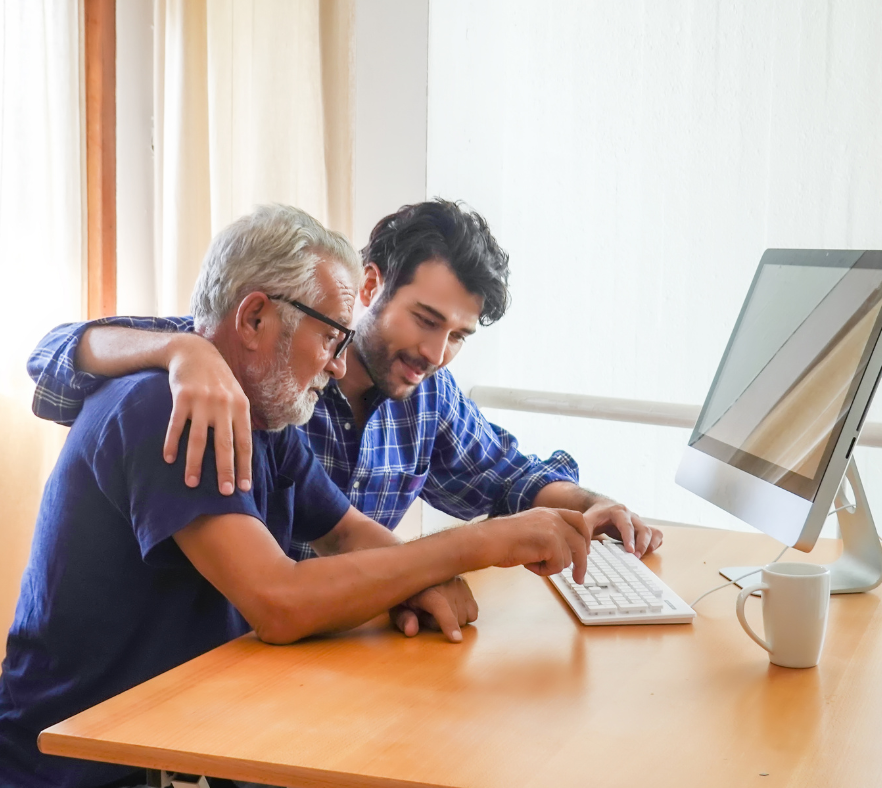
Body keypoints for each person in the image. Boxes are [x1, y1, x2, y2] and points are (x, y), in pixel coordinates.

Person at [0, 205, 592, 788]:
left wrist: (419, 582)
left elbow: (344, 531)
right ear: (255, 318)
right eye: (332, 338)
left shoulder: (268, 418)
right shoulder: (165, 409)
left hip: (191, 739)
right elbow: (279, 602)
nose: (339, 367)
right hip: (83, 766)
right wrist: (477, 543)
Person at [28, 200, 662, 561]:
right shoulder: (250, 368)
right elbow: (53, 360)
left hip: (326, 650)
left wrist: (592, 508)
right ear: (369, 286)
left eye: (459, 337)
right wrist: (180, 349)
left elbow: (504, 477)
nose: (437, 353)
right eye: (425, 320)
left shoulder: (426, 394)